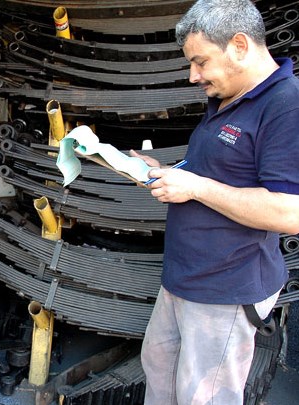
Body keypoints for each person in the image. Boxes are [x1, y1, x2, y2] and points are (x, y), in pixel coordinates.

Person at [130, 0, 299, 403]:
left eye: (200, 62)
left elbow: (289, 212)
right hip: (184, 278)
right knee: (160, 371)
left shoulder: (285, 106)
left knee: (203, 396)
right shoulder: (227, 99)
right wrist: (163, 170)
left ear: (239, 45)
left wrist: (195, 187)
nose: (193, 76)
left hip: (226, 288)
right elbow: (215, 170)